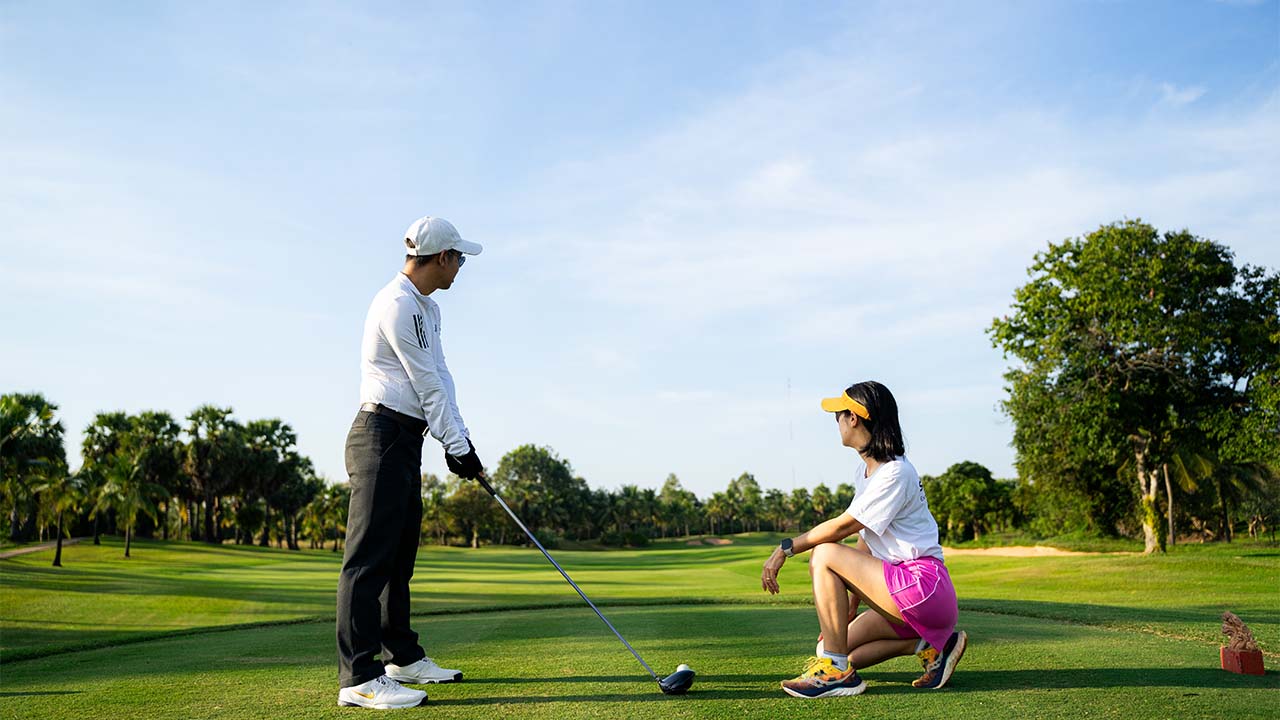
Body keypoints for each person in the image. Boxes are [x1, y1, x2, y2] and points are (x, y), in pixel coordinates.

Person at [336, 215, 487, 709]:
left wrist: (458, 439)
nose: (461, 266)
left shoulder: (428, 309)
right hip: (379, 434)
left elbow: (442, 377)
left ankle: (401, 656)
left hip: (405, 438)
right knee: (367, 561)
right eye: (459, 258)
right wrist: (456, 444)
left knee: (399, 559)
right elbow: (424, 381)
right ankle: (359, 677)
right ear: (441, 258)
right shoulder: (398, 305)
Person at [760, 381, 966, 699]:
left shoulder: (895, 473)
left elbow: (844, 526)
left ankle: (835, 672)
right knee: (833, 643)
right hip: (902, 592)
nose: (837, 424)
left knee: (825, 554)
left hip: (922, 588)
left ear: (854, 418)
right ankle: (931, 646)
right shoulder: (867, 472)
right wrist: (851, 604)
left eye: (838, 416)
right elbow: (865, 538)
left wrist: (786, 548)